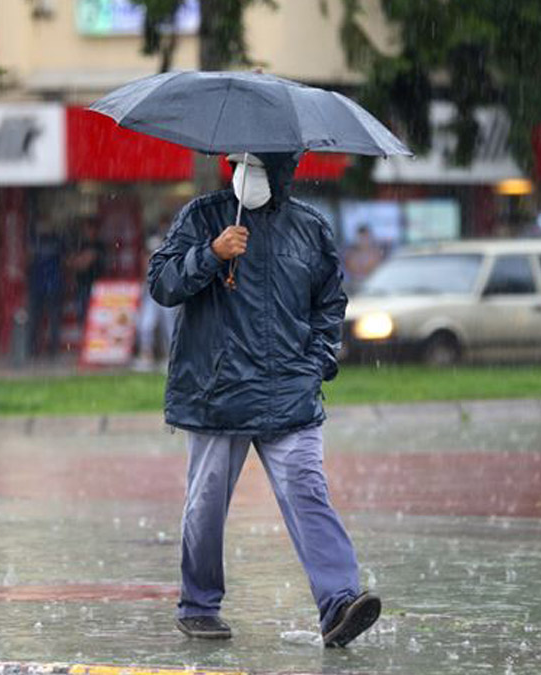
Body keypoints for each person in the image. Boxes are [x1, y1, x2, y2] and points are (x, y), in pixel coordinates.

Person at [148, 151, 380, 648]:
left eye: (257, 166)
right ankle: (199, 605)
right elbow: (163, 284)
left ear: (282, 172)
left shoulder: (310, 229)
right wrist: (211, 253)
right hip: (217, 393)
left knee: (308, 492)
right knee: (205, 505)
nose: (244, 176)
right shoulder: (202, 216)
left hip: (289, 394)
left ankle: (339, 602)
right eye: (238, 164)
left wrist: (317, 362)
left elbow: (329, 303)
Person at [133, 231, 179, 372]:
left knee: (170, 328)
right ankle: (146, 356)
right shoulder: (146, 260)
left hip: (166, 295)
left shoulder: (169, 259)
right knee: (145, 325)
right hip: (150, 295)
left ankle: (172, 359)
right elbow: (145, 278)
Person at [26, 229, 65, 356]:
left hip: (47, 286)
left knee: (45, 319)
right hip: (43, 286)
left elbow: (28, 259)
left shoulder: (53, 241)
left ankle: (43, 348)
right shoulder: (37, 241)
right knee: (39, 319)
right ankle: (37, 348)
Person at [69, 218, 106, 330]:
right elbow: (71, 262)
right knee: (81, 312)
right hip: (81, 283)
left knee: (96, 313)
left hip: (95, 284)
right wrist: (80, 260)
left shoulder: (99, 245)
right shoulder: (79, 244)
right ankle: (84, 334)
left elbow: (83, 262)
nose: (87, 231)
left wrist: (80, 260)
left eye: (89, 228)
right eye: (85, 229)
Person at [343, 224, 386, 291]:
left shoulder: (377, 254)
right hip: (355, 286)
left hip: (374, 285)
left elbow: (379, 271)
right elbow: (350, 271)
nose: (364, 240)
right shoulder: (350, 255)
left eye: (366, 237)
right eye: (361, 238)